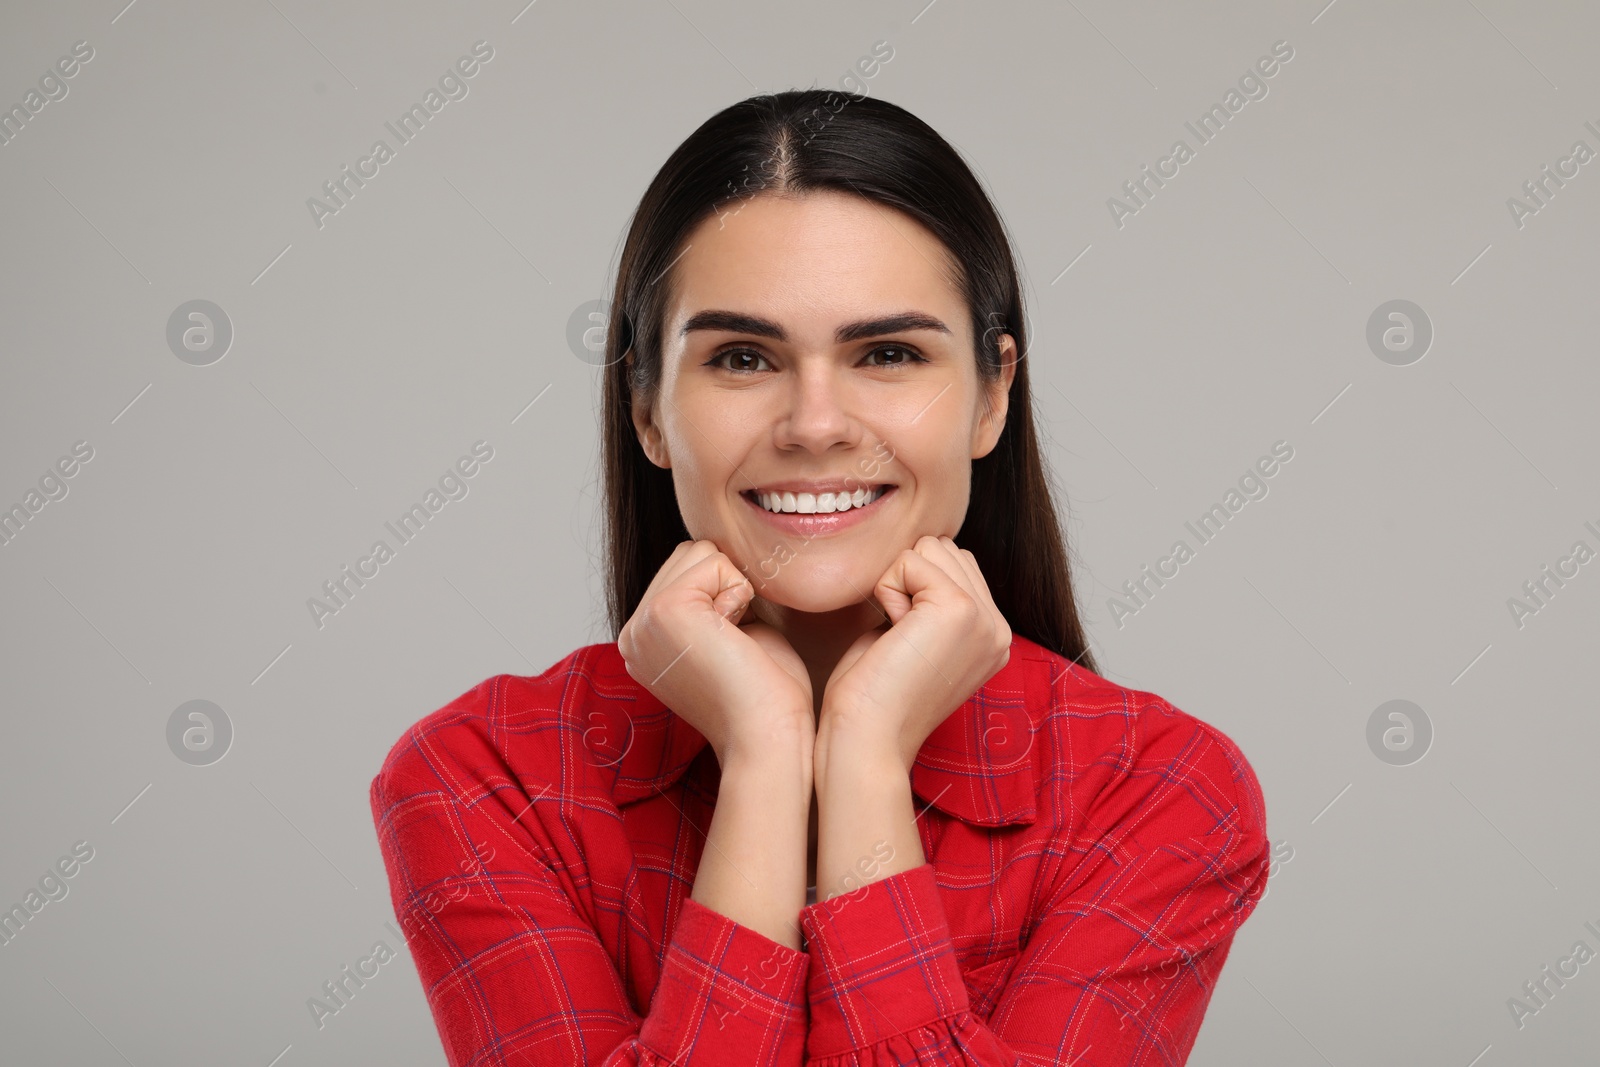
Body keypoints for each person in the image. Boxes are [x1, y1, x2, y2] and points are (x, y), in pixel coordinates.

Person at [369, 88, 1271, 1066]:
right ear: (646, 411)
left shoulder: (1158, 791)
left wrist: (865, 757)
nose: (814, 423)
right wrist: (764, 755)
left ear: (990, 394)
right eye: (743, 357)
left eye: (887, 353)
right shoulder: (480, 779)